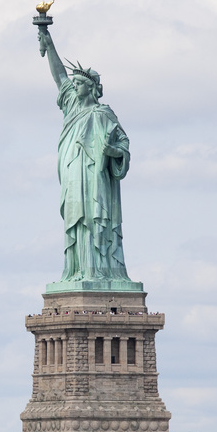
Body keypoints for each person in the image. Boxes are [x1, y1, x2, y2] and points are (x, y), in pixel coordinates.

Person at [37, 26, 132, 283]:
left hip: (96, 176)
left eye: (79, 84)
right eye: (75, 83)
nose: (74, 87)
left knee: (94, 218)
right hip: (72, 172)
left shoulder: (104, 115)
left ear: (91, 88)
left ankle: (99, 270)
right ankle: (77, 270)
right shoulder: (71, 106)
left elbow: (124, 145)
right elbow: (59, 77)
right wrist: (49, 43)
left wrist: (113, 151)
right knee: (77, 220)